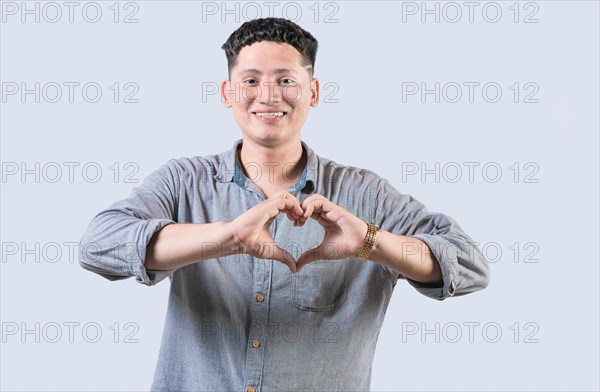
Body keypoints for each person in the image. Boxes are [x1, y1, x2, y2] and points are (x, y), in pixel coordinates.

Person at [79, 17, 490, 391]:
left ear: (312, 91)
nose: (268, 95)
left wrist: (369, 241)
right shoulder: (183, 182)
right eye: (251, 80)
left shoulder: (367, 195)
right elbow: (98, 245)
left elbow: (469, 265)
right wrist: (228, 237)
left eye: (285, 80)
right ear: (227, 92)